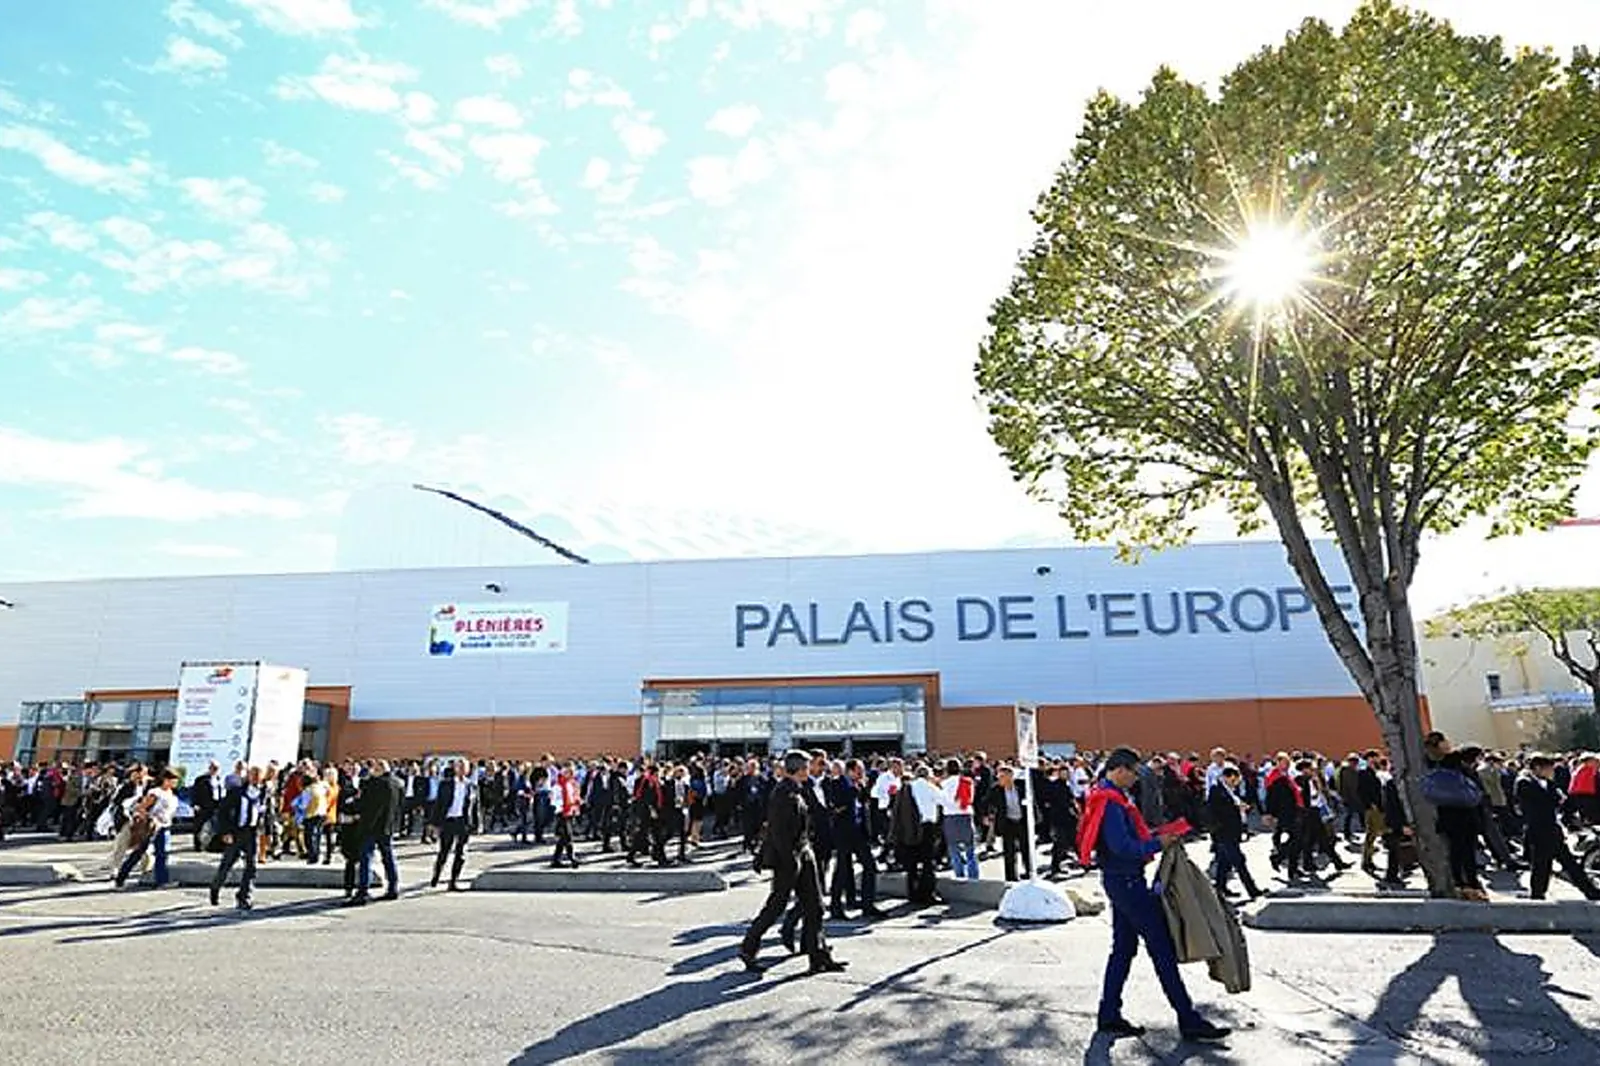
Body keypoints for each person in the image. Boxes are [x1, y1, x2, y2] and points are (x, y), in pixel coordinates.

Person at [1079, 747, 1228, 1043]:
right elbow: (1122, 847)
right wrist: (1159, 843)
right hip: (1127, 882)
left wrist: (1157, 836)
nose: (1136, 779)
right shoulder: (1111, 801)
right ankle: (1188, 1018)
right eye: (1135, 773)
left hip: (1121, 881)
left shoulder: (1108, 796)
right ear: (1120, 769)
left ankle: (1109, 1014)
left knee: (1123, 949)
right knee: (1161, 948)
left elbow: (1124, 841)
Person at [738, 749, 847, 976]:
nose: (810, 770)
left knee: (815, 906)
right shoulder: (782, 793)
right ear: (798, 769)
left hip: (804, 852)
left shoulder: (797, 789)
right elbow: (778, 833)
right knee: (776, 905)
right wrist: (790, 861)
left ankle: (819, 956)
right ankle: (748, 947)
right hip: (789, 857)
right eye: (807, 766)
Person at [1515, 754, 1600, 901]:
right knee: (1541, 864)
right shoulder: (1524, 782)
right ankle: (1537, 893)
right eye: (1548, 769)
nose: (1551, 772)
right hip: (1538, 829)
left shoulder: (1549, 783)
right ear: (1537, 768)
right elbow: (1545, 800)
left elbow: (1559, 800)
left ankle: (1590, 892)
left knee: (1569, 863)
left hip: (1553, 829)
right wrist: (1555, 798)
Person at [210, 766, 267, 912]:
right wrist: (225, 832)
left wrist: (266, 832)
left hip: (252, 832)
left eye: (258, 775)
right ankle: (216, 887)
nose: (255, 778)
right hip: (236, 831)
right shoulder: (237, 792)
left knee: (251, 866)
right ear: (248, 776)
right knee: (227, 863)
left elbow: (265, 813)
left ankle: (244, 896)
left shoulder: (263, 793)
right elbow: (222, 812)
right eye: (253, 775)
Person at [350, 760, 403, 906]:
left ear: (378, 769)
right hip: (387, 826)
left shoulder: (373, 783)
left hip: (371, 826)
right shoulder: (398, 783)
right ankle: (393, 887)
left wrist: (355, 803)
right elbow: (400, 806)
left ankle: (363, 891)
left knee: (366, 858)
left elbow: (365, 804)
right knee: (388, 857)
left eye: (374, 769)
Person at [115, 768, 179, 889]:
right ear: (165, 780)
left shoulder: (171, 794)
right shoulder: (156, 792)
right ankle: (121, 878)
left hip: (164, 827)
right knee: (138, 853)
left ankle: (162, 881)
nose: (175, 783)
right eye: (173, 780)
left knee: (162, 854)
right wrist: (151, 818)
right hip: (151, 827)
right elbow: (141, 808)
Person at [1206, 765, 1261, 901]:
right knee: (1239, 861)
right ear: (1227, 777)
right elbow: (1217, 810)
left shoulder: (1231, 791)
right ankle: (1252, 890)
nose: (1236, 783)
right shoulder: (1216, 790)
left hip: (1232, 832)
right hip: (1224, 832)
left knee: (1224, 863)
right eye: (1234, 780)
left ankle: (1220, 888)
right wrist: (1236, 807)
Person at [431, 758, 479, 891]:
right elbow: (438, 804)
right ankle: (436, 874)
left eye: (465, 767)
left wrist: (477, 824)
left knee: (461, 853)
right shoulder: (445, 784)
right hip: (448, 821)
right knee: (444, 851)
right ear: (455, 769)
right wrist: (434, 824)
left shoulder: (472, 786)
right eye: (459, 767)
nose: (462, 770)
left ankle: (453, 881)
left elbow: (475, 807)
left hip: (463, 822)